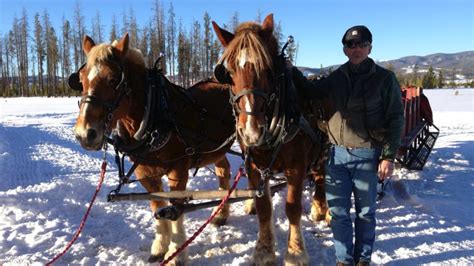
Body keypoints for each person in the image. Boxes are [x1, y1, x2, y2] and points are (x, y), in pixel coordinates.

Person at [292, 25, 405, 265]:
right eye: (350, 45)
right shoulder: (337, 77)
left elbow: (396, 118)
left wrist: (388, 157)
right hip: (337, 157)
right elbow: (311, 92)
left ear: (370, 47)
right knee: (339, 213)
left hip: (367, 155)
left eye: (361, 44)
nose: (356, 49)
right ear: (345, 49)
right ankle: (344, 260)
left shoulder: (385, 79)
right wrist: (290, 70)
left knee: (365, 214)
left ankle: (362, 260)